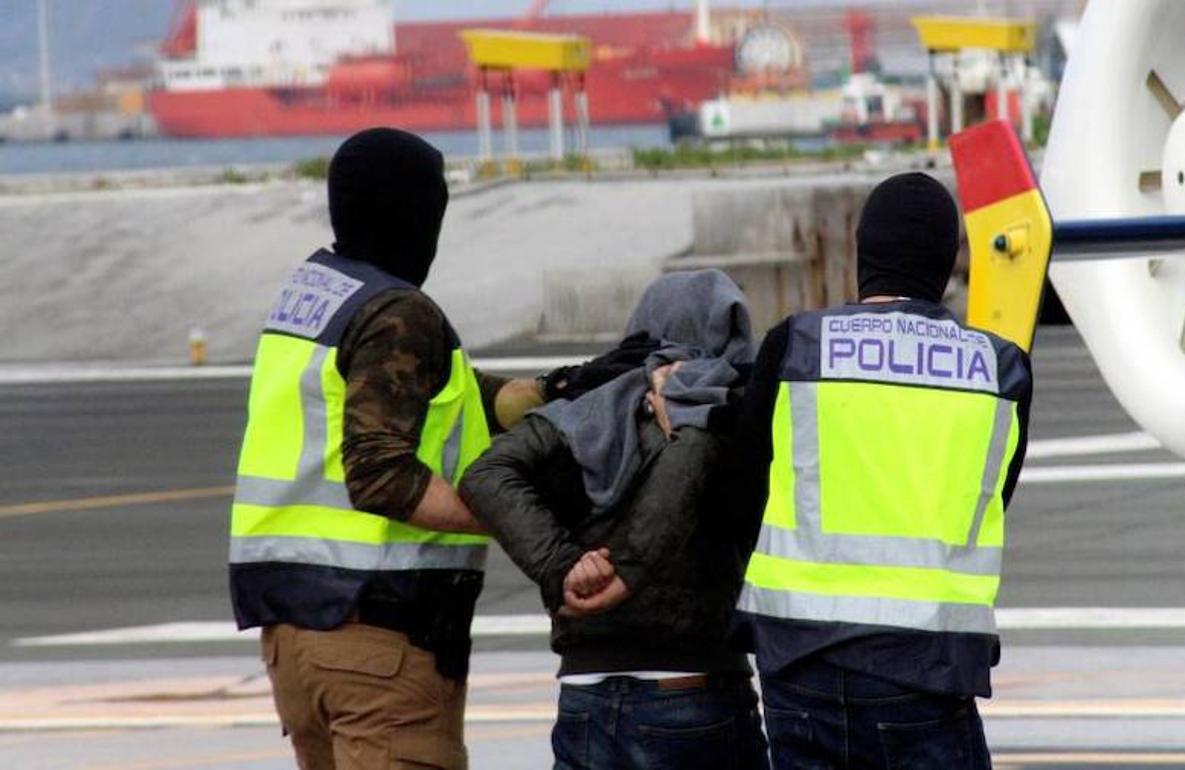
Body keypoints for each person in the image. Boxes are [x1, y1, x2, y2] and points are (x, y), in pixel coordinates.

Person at [228, 127, 549, 770]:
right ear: (415, 211)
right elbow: (379, 474)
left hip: (295, 642)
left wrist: (547, 394)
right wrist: (519, 518)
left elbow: (408, 391)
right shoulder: (401, 312)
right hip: (378, 640)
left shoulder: (316, 296)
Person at [731, 172, 1032, 769]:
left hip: (800, 662)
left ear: (863, 253)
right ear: (947, 264)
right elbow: (992, 497)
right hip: (927, 667)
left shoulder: (794, 346)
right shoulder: (1001, 369)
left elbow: (738, 494)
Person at [460, 270, 770, 770]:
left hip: (584, 690)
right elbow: (693, 473)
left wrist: (561, 565)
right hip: (691, 685)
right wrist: (625, 573)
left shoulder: (587, 406)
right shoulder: (726, 411)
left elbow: (486, 475)